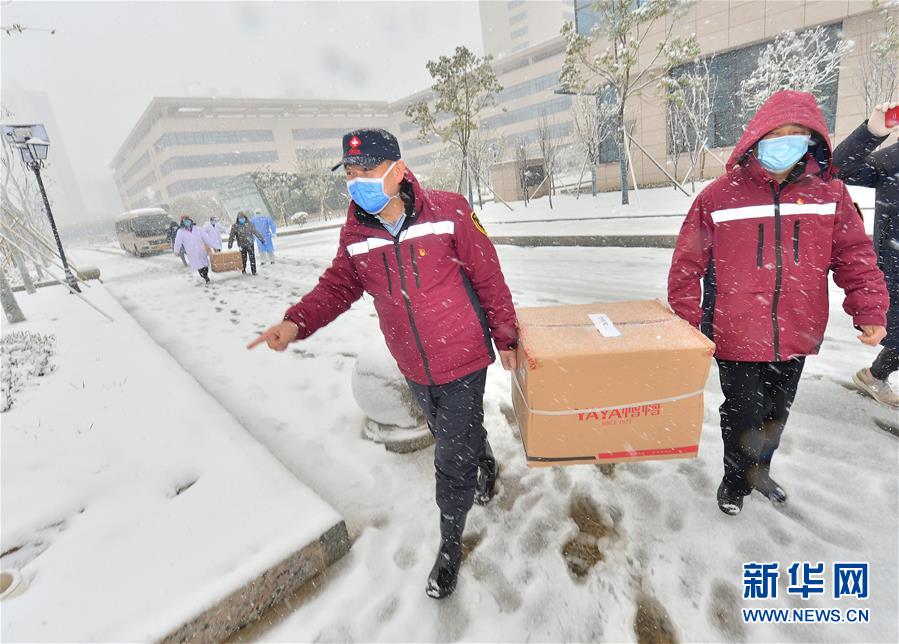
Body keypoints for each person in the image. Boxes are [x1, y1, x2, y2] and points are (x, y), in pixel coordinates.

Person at [247, 129, 518, 599]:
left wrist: (506, 335)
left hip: (463, 358)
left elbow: (489, 277)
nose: (357, 182)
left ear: (397, 169)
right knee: (455, 432)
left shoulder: (451, 211)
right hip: (413, 364)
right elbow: (337, 287)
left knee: (450, 459)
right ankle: (485, 458)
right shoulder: (356, 232)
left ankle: (450, 545)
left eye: (367, 170)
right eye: (350, 173)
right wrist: (295, 323)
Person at [668, 90, 889, 516]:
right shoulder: (718, 196)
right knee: (742, 414)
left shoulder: (831, 195)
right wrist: (686, 323)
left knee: (775, 414)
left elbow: (855, 256)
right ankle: (735, 481)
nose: (785, 142)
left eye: (797, 135)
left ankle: (760, 471)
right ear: (757, 137)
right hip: (735, 333)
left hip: (797, 329)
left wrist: (869, 309)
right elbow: (686, 264)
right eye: (777, 134)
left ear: (812, 143)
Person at [832, 100, 899, 408]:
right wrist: (873, 132)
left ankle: (874, 374)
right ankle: (874, 374)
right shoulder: (895, 159)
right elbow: (840, 168)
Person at [173, 215, 216, 284]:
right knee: (199, 266)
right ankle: (205, 277)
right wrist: (176, 250)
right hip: (192, 251)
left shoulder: (198, 229)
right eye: (185, 221)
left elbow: (206, 238)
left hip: (201, 249)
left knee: (205, 265)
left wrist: (214, 246)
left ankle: (206, 275)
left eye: (188, 220)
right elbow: (178, 242)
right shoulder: (180, 232)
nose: (187, 222)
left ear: (190, 220)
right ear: (182, 222)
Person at [228, 211, 264, 275]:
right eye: (240, 218)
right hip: (241, 245)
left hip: (250, 244)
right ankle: (243, 270)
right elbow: (232, 235)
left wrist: (261, 239)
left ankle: (254, 271)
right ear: (238, 219)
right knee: (243, 259)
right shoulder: (235, 226)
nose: (241, 219)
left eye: (243, 218)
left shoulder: (250, 224)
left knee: (252, 258)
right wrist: (230, 244)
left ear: (245, 217)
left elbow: (256, 232)